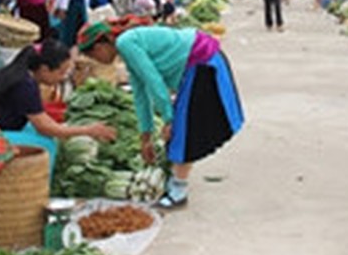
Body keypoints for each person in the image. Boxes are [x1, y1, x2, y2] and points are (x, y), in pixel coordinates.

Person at [78, 20, 245, 209]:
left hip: (203, 64)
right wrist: (145, 136)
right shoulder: (127, 47)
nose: (95, 60)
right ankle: (176, 187)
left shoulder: (125, 43)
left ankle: (178, 192)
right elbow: (140, 94)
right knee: (184, 131)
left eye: (92, 54)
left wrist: (168, 119)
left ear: (100, 46)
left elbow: (154, 81)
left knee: (183, 133)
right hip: (197, 66)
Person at [0, 38, 116, 171]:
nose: (62, 78)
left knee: (42, 134)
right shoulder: (24, 85)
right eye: (61, 73)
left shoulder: (21, 72)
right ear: (45, 69)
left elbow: (41, 119)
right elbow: (45, 127)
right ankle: (35, 190)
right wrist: (88, 130)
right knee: (46, 145)